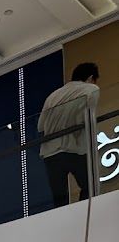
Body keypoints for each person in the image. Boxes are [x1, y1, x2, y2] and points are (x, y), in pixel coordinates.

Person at [38, 62, 100, 208]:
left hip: (50, 152)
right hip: (73, 148)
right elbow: (87, 119)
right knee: (90, 186)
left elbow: (40, 125)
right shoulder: (91, 89)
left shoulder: (52, 96)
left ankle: (66, 224)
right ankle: (82, 214)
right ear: (91, 78)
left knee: (59, 199)